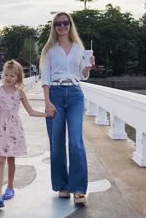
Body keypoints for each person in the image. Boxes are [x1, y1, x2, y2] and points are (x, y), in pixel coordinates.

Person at [40, 12, 95, 205]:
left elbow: (81, 73)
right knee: (56, 144)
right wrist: (47, 102)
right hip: (54, 94)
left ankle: (79, 189)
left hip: (74, 95)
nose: (62, 26)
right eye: (58, 23)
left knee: (75, 142)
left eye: (65, 23)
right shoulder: (49, 50)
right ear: (53, 27)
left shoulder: (79, 47)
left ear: (70, 25)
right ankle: (62, 185)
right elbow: (45, 78)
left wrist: (88, 68)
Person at [0, 59, 49, 208]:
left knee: (11, 160)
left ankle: (10, 187)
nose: (8, 78)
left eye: (12, 76)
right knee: (0, 160)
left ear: (18, 78)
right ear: (3, 75)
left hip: (14, 129)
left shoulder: (20, 93)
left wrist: (47, 114)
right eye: (6, 75)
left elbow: (30, 111)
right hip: (0, 129)